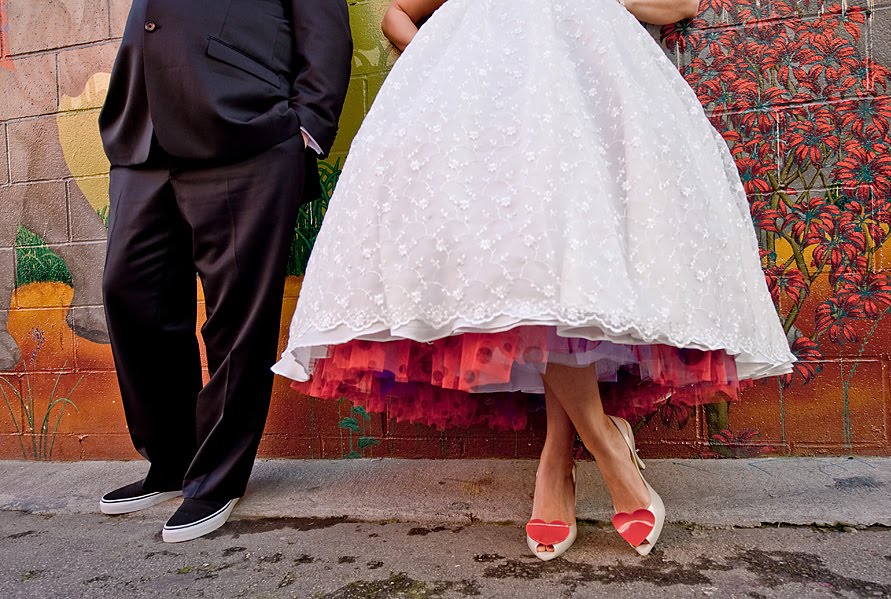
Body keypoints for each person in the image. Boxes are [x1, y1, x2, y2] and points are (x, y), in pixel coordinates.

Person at [274, 0, 795, 558]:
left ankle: (556, 463)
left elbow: (679, 5)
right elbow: (397, 13)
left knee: (563, 277)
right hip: (491, 116)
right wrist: (437, 57)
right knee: (527, 278)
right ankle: (605, 445)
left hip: (584, 99)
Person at [97, 0, 352, 543]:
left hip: (245, 130)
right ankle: (172, 461)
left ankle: (216, 480)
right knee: (128, 294)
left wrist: (306, 127)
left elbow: (323, 25)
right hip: (143, 132)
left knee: (236, 318)